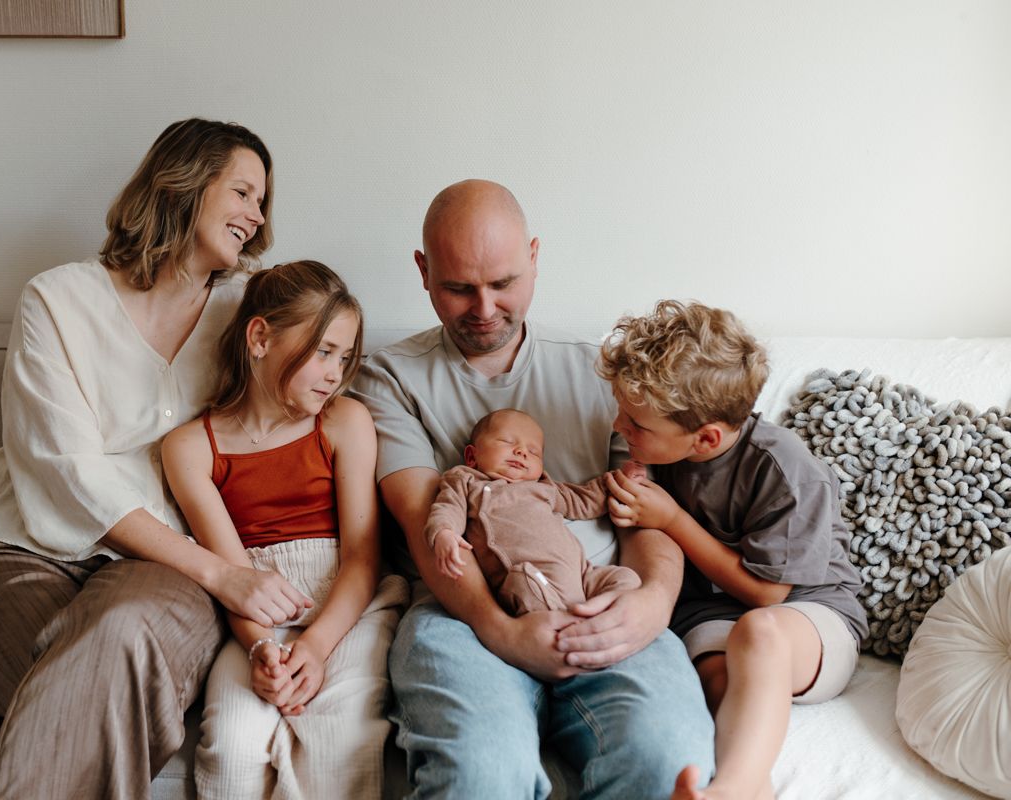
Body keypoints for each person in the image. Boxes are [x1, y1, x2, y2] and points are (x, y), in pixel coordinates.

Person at [0, 119, 315, 800]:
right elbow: (65, 471)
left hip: (155, 572)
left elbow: (321, 379)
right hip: (16, 557)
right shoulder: (56, 300)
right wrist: (223, 574)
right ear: (186, 184)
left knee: (115, 640)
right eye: (243, 192)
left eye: (262, 202)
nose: (258, 219)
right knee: (92, 681)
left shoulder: (246, 320)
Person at [350, 179, 715, 798]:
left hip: (600, 604)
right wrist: (501, 629)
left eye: (504, 283)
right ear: (422, 271)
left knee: (667, 761)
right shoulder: (388, 380)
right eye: (459, 287)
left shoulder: (605, 374)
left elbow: (648, 513)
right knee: (480, 775)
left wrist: (651, 607)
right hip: (464, 616)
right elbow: (425, 527)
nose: (485, 309)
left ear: (536, 259)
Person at [598, 300, 866, 800]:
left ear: (706, 438)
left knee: (758, 634)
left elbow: (767, 595)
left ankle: (731, 792)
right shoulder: (652, 448)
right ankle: (750, 788)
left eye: (635, 424)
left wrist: (672, 519)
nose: (619, 426)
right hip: (712, 616)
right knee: (722, 689)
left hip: (808, 615)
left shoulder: (782, 470)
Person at [162, 259, 408, 799]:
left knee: (336, 740)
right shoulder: (191, 448)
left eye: (344, 358)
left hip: (347, 605)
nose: (334, 373)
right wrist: (261, 653)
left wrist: (316, 648)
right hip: (252, 614)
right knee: (231, 744)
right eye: (322, 352)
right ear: (259, 337)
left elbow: (363, 558)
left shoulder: (344, 422)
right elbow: (233, 575)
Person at [426, 407, 642, 614]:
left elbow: (586, 499)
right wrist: (444, 533)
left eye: (533, 451)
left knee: (627, 579)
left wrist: (621, 481)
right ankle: (571, 624)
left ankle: (599, 617)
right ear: (472, 457)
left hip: (582, 575)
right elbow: (448, 507)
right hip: (530, 576)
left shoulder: (545, 488)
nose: (521, 452)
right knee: (525, 587)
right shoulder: (467, 480)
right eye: (507, 442)